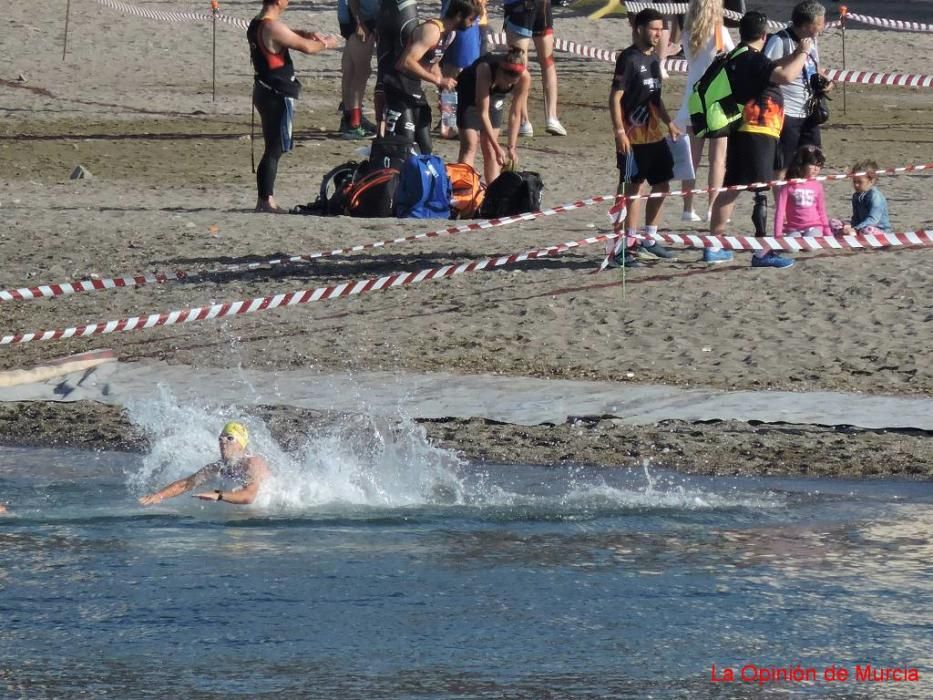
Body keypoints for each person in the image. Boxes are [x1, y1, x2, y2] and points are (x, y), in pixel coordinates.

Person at [706, 10, 813, 268]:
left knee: (733, 187)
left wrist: (793, 54)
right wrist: (804, 52)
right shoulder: (755, 61)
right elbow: (785, 76)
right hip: (760, 130)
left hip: (741, 128)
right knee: (761, 191)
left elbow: (773, 67)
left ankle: (714, 246)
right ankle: (762, 252)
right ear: (764, 36)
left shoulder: (737, 56)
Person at [248, 0, 340, 213]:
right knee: (275, 148)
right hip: (276, 93)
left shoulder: (258, 23)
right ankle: (265, 200)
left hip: (265, 90)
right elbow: (306, 48)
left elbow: (288, 34)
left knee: (274, 147)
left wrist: (306, 33)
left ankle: (264, 198)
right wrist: (327, 43)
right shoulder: (271, 26)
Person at [609, 8, 681, 265]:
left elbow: (655, 100)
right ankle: (625, 247)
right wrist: (619, 132)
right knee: (633, 189)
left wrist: (669, 123)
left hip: (655, 136)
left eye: (662, 29)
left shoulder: (653, 61)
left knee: (662, 185)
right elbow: (614, 98)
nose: (659, 33)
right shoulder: (628, 59)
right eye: (654, 29)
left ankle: (649, 238)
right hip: (632, 138)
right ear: (639, 29)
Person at [381, 0, 480, 154]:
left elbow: (432, 64)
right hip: (397, 86)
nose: (473, 24)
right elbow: (405, 62)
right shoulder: (432, 31)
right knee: (404, 144)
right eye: (471, 19)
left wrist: (444, 89)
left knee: (425, 147)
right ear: (459, 15)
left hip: (413, 87)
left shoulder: (449, 35)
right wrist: (438, 80)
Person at [673, 0, 733, 222]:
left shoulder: (688, 33)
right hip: (715, 100)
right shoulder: (720, 32)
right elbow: (732, 57)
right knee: (717, 160)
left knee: (692, 160)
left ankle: (688, 208)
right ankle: (712, 208)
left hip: (693, 99)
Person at [764, 1, 833, 179]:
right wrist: (796, 54)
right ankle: (781, 206)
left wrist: (824, 80)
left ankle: (803, 204)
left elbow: (811, 66)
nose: (822, 27)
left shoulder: (811, 42)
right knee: (783, 166)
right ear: (805, 24)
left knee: (813, 163)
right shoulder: (780, 40)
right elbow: (765, 67)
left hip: (810, 112)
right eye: (819, 23)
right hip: (787, 113)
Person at [138, 422, 271, 506]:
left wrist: (218, 494)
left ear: (241, 444)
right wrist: (159, 496)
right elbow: (186, 484)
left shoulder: (253, 463)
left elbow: (249, 497)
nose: (223, 441)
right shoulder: (219, 466)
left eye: (230, 438)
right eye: (221, 438)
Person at [456, 48, 532, 183]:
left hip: (496, 97)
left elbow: (515, 113)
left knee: (490, 148)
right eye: (506, 81)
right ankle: (463, 189)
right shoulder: (485, 69)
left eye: (512, 84)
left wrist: (511, 147)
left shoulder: (524, 77)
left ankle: (494, 193)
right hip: (469, 91)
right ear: (500, 72)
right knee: (470, 144)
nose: (508, 85)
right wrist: (498, 148)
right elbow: (483, 113)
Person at [503, 0, 567, 136]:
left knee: (518, 61)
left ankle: (524, 121)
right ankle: (552, 117)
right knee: (548, 62)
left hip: (519, 6)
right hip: (542, 5)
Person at [337, 0, 379, 139]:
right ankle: (354, 123)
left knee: (351, 68)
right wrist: (360, 21)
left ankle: (351, 117)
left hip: (353, 15)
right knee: (361, 71)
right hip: (361, 17)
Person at [773, 145, 831, 238]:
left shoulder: (818, 186)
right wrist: (777, 235)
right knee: (792, 248)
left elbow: (822, 211)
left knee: (810, 246)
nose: (816, 169)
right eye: (812, 165)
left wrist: (828, 234)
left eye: (819, 165)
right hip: (793, 228)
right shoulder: (788, 186)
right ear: (802, 164)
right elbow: (780, 211)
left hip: (813, 226)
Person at [842, 160, 891, 235]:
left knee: (867, 230)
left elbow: (873, 220)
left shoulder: (875, 196)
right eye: (854, 182)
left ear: (871, 181)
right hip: (861, 227)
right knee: (836, 223)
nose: (856, 185)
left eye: (860, 182)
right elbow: (856, 217)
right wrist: (850, 227)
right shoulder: (856, 196)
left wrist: (855, 228)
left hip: (878, 230)